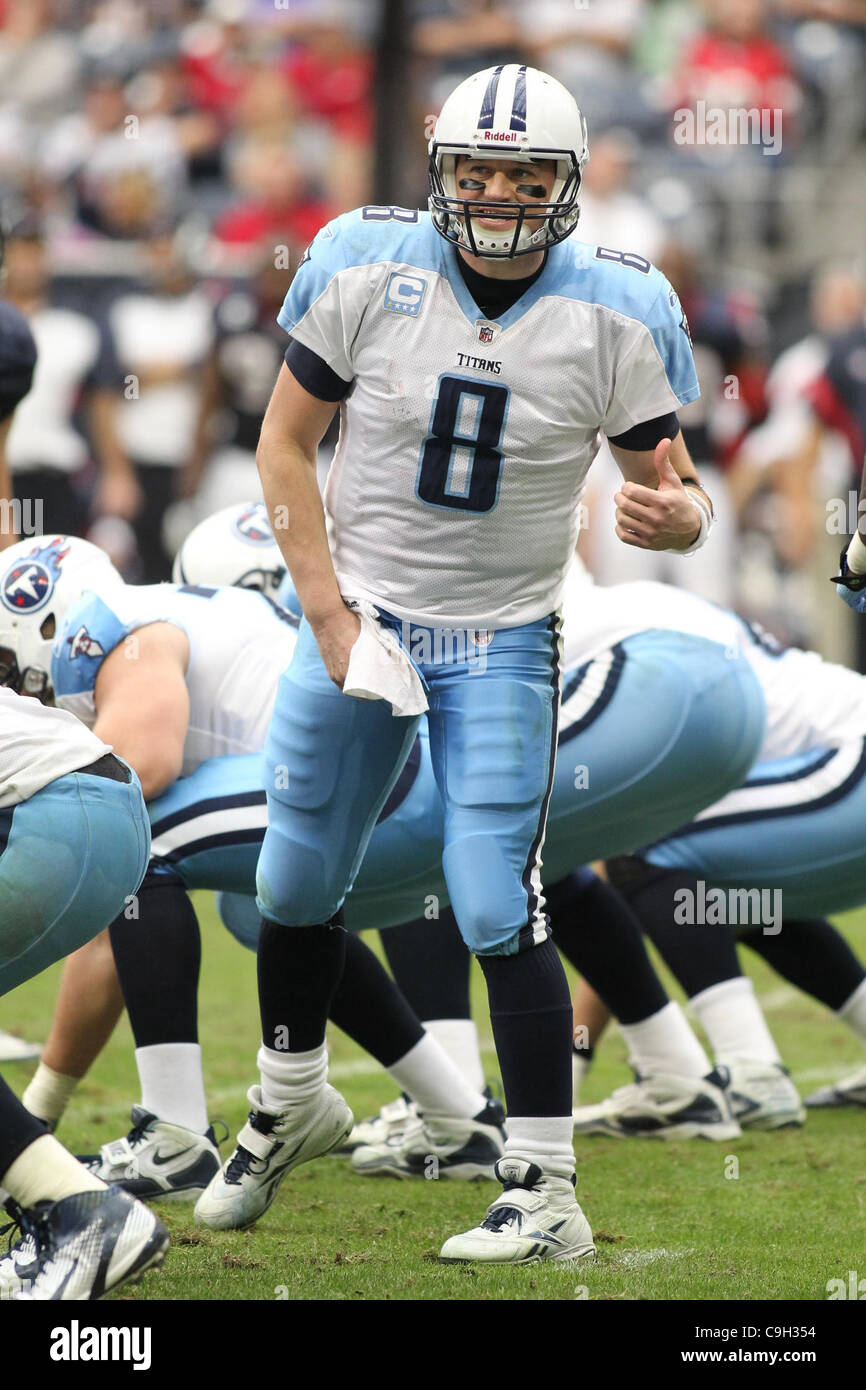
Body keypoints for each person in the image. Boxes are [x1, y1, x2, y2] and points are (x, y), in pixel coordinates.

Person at [195, 64, 714, 1264]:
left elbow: (670, 482)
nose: (493, 194)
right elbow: (281, 447)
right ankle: (289, 1103)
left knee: (491, 892)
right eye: (473, 170)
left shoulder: (618, 306)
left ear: (566, 186)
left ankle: (542, 1189)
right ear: (436, 167)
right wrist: (330, 623)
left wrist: (677, 518)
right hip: (361, 607)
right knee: (291, 879)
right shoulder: (362, 261)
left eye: (524, 175)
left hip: (500, 630)